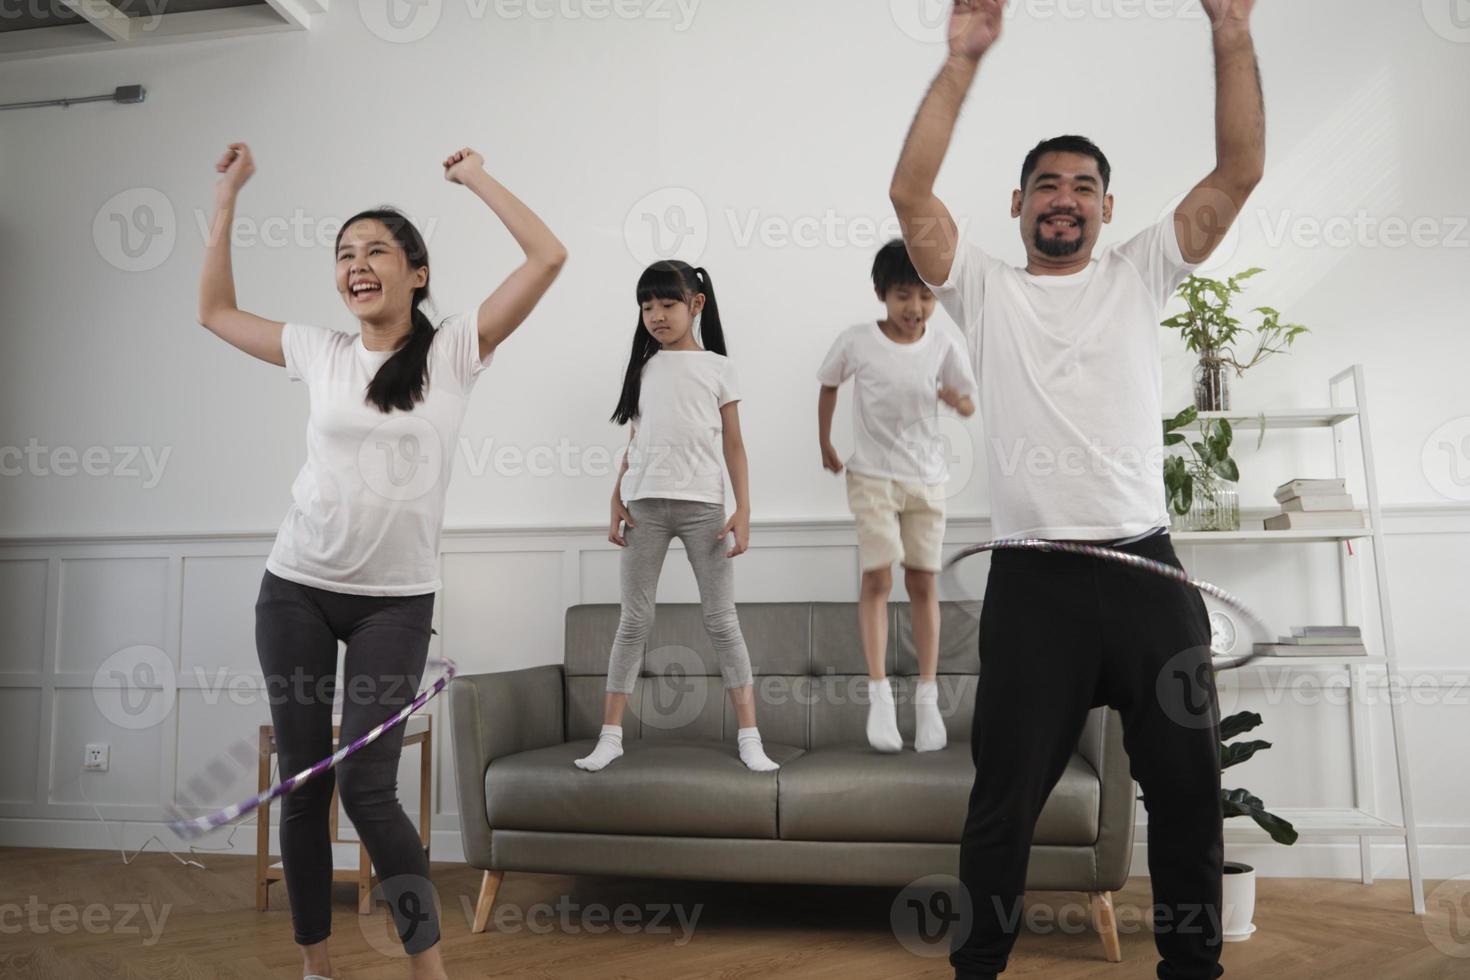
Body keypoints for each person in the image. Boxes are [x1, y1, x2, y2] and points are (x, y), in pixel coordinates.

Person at [888, 1, 1266, 977]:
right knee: (1002, 800)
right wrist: (962, 61)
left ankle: (1193, 969)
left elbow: (1238, 174)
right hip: (1034, 582)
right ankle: (979, 967)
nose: (1065, 196)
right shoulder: (981, 287)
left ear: (1107, 205)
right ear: (1017, 204)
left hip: (1148, 574)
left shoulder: (1144, 272)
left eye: (1084, 185)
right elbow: (909, 194)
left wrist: (1230, 31)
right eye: (1046, 184)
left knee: (1187, 790)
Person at [197, 142, 566, 980]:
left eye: (375, 253)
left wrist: (474, 178)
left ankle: (427, 968)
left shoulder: (456, 354)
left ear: (416, 273)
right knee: (304, 785)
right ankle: (315, 966)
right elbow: (215, 312)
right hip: (294, 589)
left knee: (369, 788)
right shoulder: (318, 351)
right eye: (344, 255)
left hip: (395, 603)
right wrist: (226, 200)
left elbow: (548, 255)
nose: (357, 267)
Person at [575, 260, 779, 774]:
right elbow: (636, 441)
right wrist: (616, 497)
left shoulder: (717, 367)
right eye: (647, 306)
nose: (656, 315)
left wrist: (744, 509)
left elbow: (735, 444)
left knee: (721, 620)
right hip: (645, 506)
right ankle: (611, 736)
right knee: (634, 621)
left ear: (696, 305)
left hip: (703, 510)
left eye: (667, 304)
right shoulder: (643, 370)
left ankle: (750, 737)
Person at [816, 239, 976, 754]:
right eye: (904, 296)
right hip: (871, 477)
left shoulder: (944, 344)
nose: (916, 309)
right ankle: (880, 695)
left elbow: (968, 404)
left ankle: (927, 700)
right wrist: (826, 441)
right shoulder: (857, 341)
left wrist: (957, 400)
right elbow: (828, 384)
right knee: (879, 577)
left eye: (926, 298)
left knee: (924, 581)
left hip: (927, 480)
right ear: (881, 293)